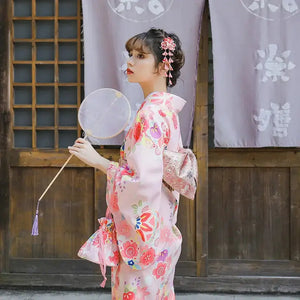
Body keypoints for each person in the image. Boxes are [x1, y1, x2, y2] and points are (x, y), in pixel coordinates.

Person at [68, 28, 186, 299]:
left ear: (163, 64)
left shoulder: (150, 115)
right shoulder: (167, 111)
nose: (130, 62)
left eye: (141, 56)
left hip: (144, 238)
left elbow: (142, 181)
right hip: (161, 230)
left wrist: (99, 161)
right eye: (130, 54)